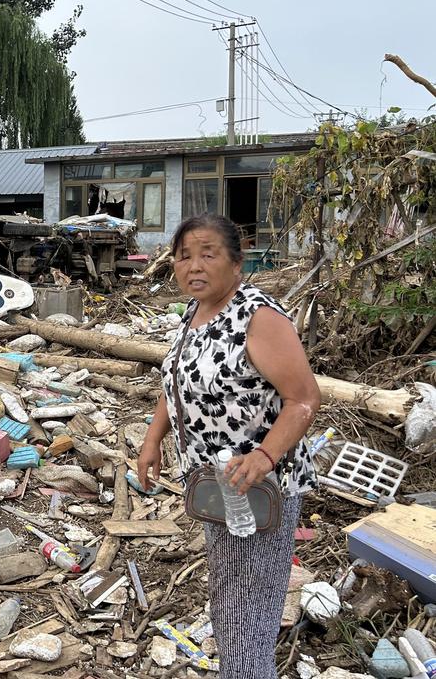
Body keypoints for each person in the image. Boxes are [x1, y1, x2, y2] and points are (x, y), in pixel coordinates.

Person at [137, 214, 320, 679]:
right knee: (234, 603)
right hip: (215, 489)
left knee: (244, 621)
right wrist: (152, 439)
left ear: (237, 262)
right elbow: (174, 381)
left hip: (259, 490)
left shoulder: (258, 317)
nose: (192, 265)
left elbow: (303, 399)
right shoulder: (194, 314)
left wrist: (263, 457)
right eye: (182, 256)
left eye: (206, 253)